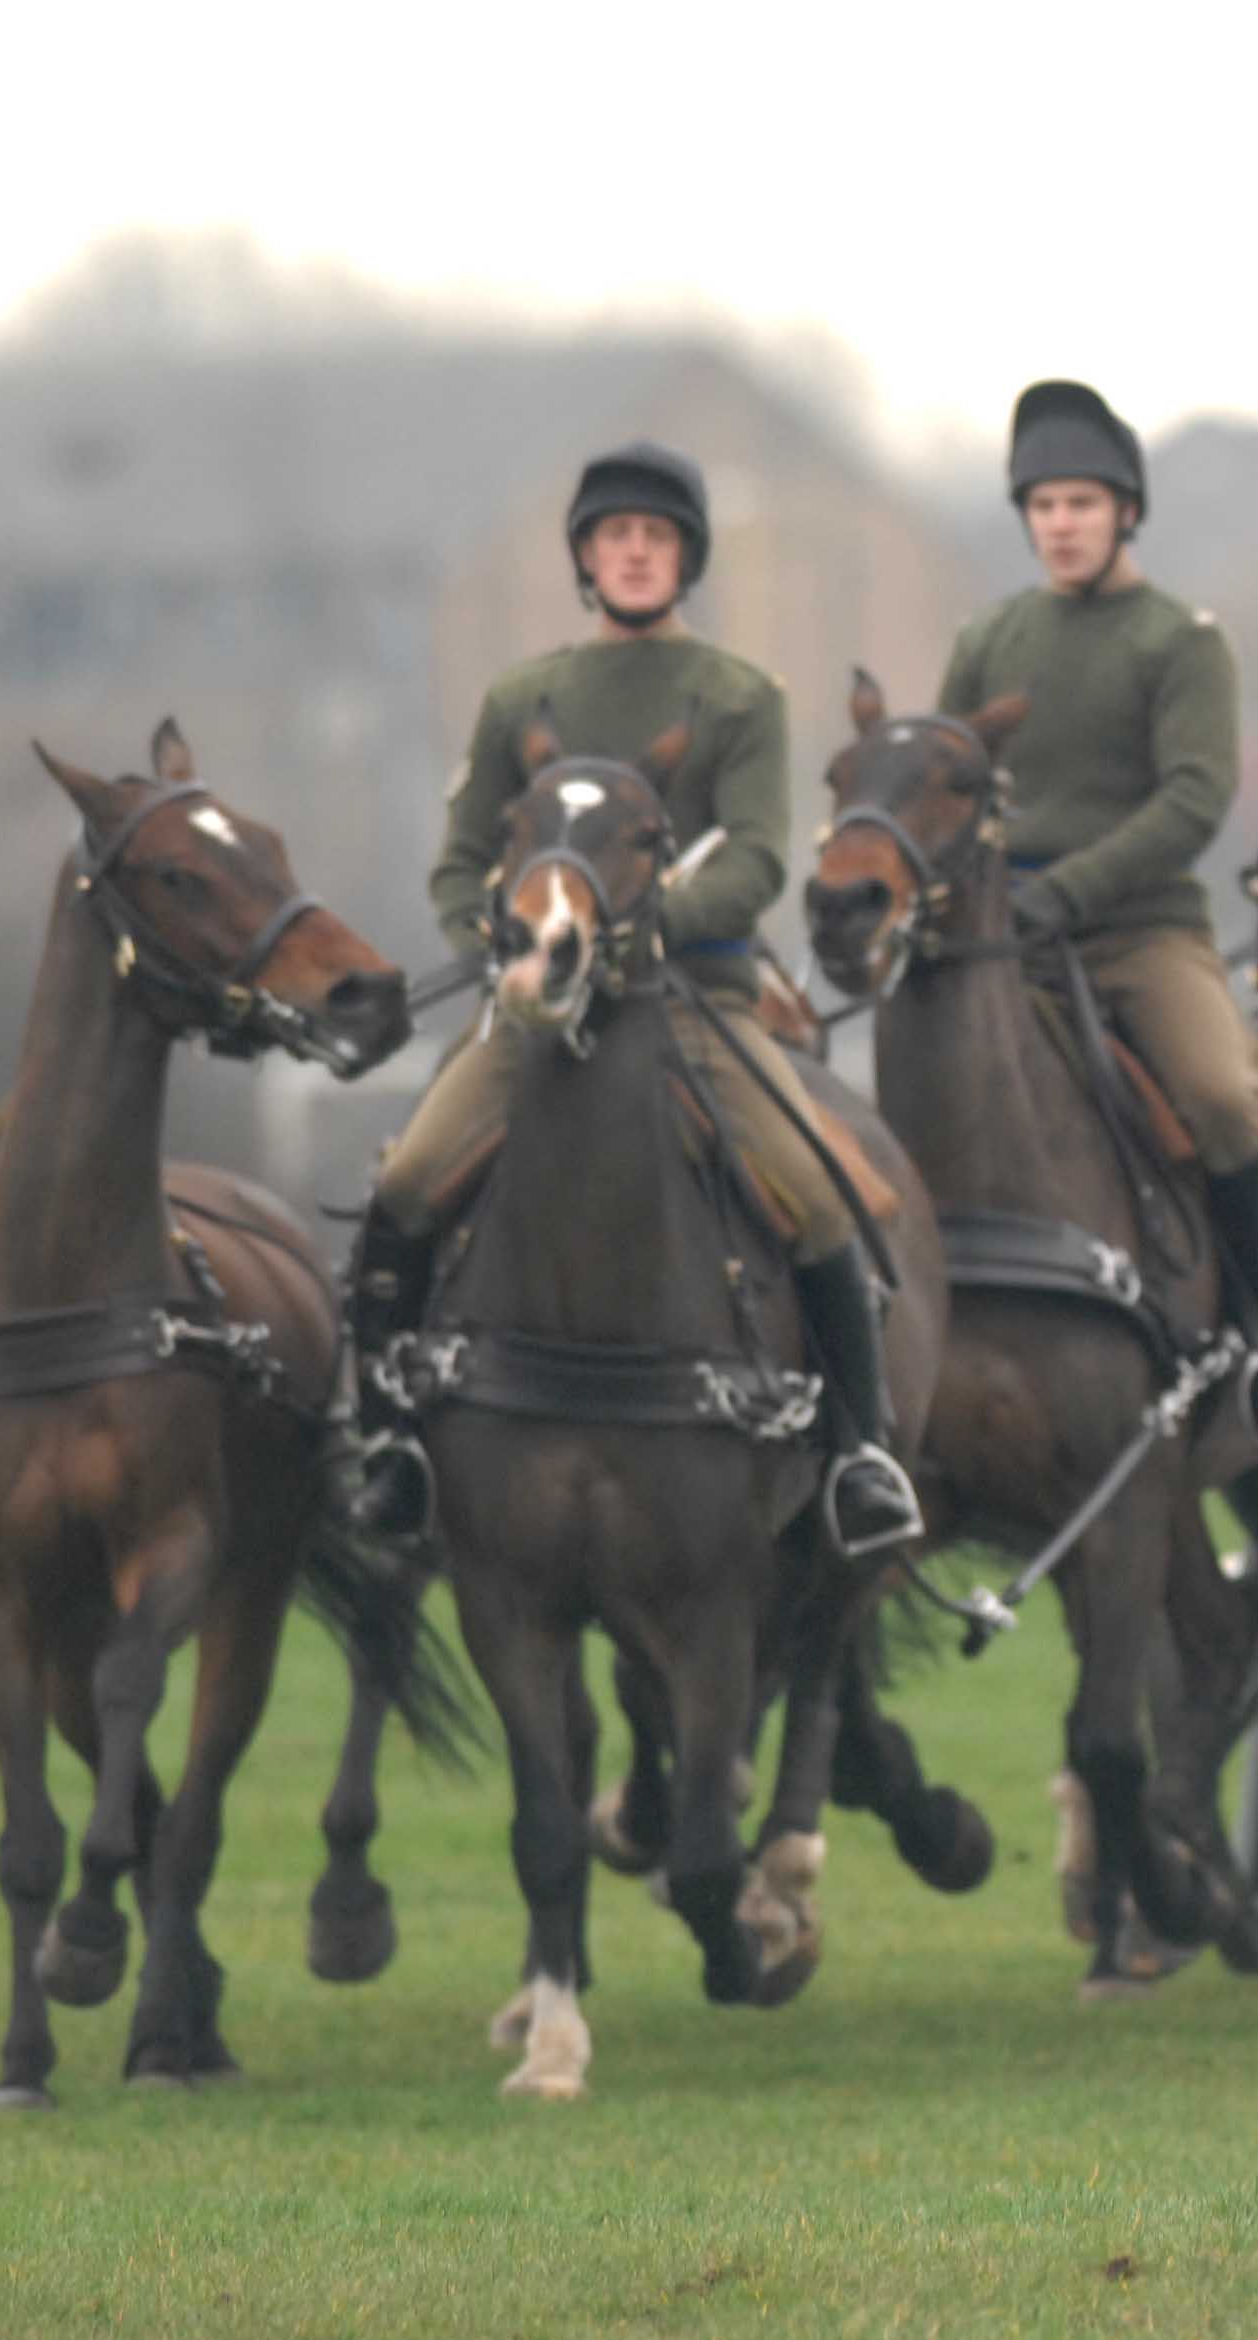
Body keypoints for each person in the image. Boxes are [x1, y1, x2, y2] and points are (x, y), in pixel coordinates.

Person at [343, 443, 922, 1552]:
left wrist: (626, 932)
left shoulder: (740, 698)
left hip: (694, 1003)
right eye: (616, 536)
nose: (637, 553)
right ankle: (391, 1439)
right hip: (531, 1015)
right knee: (410, 1178)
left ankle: (859, 1453)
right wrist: (505, 938)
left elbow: (752, 860)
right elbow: (461, 861)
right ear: (585, 557)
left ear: (686, 558)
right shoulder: (520, 698)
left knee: (812, 1190)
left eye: (657, 538)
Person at [937, 380, 1258, 1449]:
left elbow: (1193, 801)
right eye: (1043, 507)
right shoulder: (987, 639)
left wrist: (1062, 889)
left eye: (1079, 503)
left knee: (1217, 1099)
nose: (1059, 524)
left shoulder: (1179, 642)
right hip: (1001, 940)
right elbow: (944, 784)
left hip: (1140, 934)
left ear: (1123, 511)